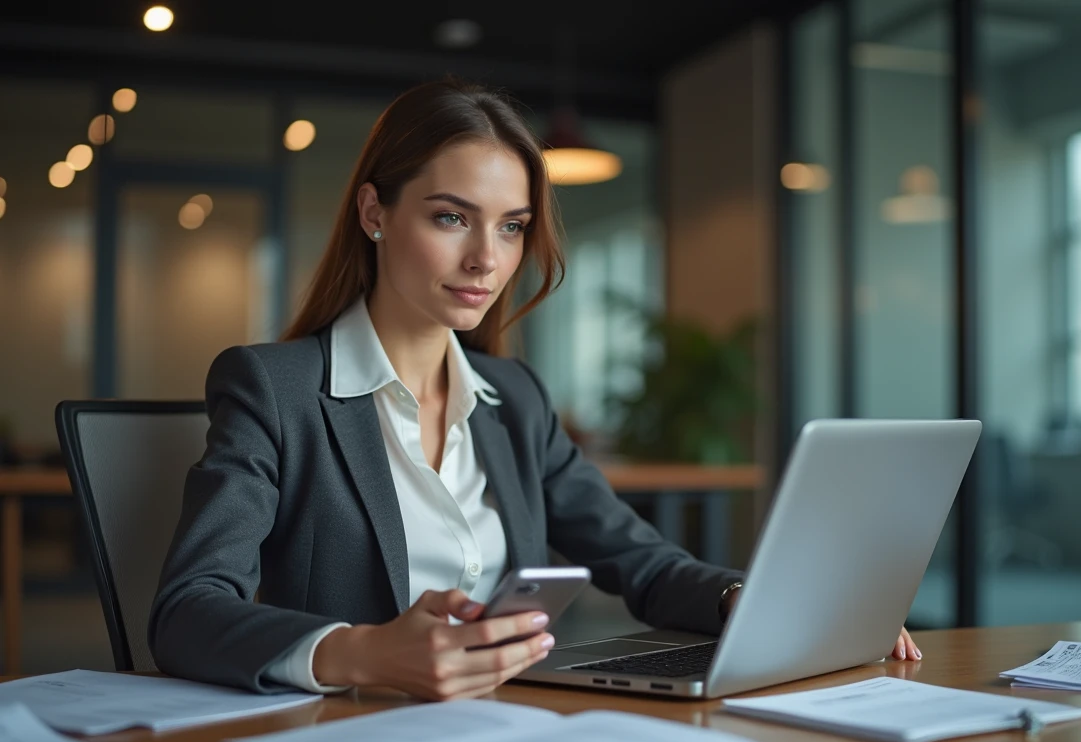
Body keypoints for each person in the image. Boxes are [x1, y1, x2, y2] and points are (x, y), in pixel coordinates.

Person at [148, 79, 919, 702]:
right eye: (452, 217)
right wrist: (366, 653)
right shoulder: (274, 388)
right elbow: (187, 612)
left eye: (512, 227)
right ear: (374, 212)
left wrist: (756, 601)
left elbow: (638, 560)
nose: (486, 257)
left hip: (511, 734)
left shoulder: (512, 397)